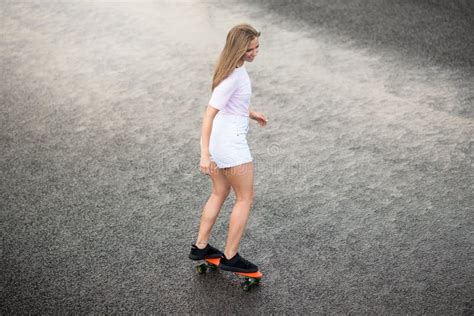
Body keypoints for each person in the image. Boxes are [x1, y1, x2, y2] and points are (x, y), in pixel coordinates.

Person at [188, 23, 268, 273]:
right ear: (239, 49)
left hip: (220, 141)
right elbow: (208, 115)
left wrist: (250, 113)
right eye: (250, 49)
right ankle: (231, 256)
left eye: (257, 47)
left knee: (219, 192)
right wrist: (204, 155)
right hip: (230, 145)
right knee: (245, 198)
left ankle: (200, 246)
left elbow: (231, 105)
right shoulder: (232, 77)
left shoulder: (232, 70)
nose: (255, 52)